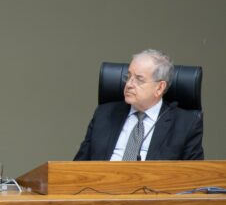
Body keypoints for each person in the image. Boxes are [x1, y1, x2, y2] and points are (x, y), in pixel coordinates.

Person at [74, 49, 203, 161]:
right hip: (101, 186)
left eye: (139, 79)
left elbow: (194, 179)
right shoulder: (104, 114)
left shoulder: (186, 125)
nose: (129, 84)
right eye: (128, 76)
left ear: (159, 88)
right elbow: (78, 167)